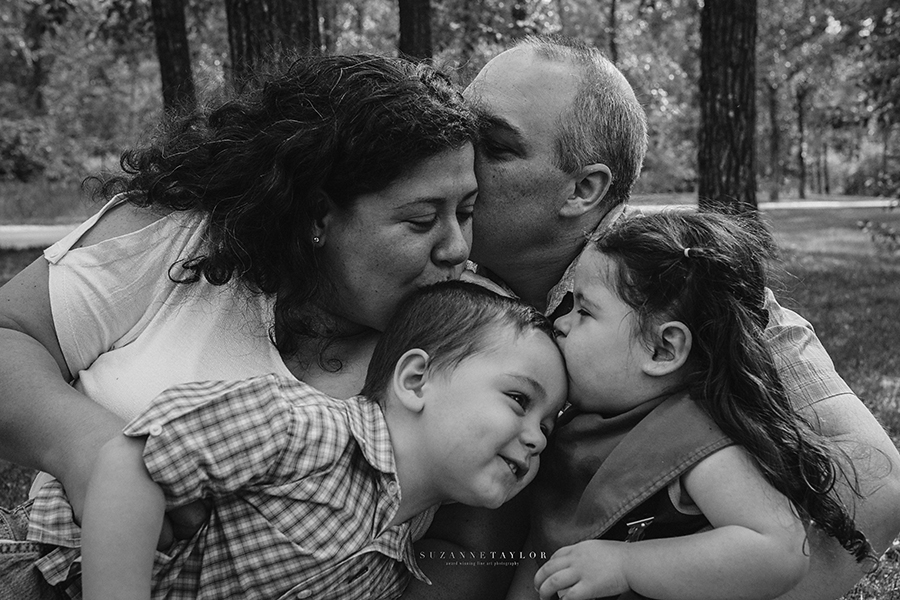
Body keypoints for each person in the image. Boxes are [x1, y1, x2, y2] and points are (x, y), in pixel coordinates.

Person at [406, 33, 900, 600]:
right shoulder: (423, 253)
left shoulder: (674, 280)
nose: (459, 158)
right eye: (461, 130)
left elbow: (877, 486)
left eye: (492, 146)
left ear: (584, 189)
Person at [0, 53, 482, 592]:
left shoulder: (471, 338)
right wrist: (83, 446)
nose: (457, 248)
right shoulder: (179, 238)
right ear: (319, 215)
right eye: (422, 220)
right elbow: (10, 333)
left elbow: (472, 549)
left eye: (467, 212)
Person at [0, 281, 567, 600]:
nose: (537, 439)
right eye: (519, 400)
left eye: (548, 423)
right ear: (416, 381)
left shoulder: (396, 561)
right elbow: (134, 463)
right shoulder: (303, 427)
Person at [507, 210, 875, 600]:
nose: (561, 323)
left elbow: (778, 551)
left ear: (664, 349)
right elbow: (543, 552)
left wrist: (627, 565)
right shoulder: (582, 425)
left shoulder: (696, 438)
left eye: (584, 311)